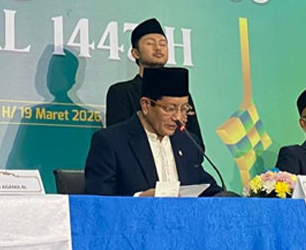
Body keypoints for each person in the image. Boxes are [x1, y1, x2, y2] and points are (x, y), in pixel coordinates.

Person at [85, 67, 223, 197]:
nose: (177, 117)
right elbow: (97, 202)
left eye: (184, 109)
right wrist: (140, 198)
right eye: (170, 109)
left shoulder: (187, 142)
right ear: (146, 105)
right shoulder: (111, 142)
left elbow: (206, 187)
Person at [105, 18, 205, 149]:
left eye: (163, 44)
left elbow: (196, 145)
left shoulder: (179, 93)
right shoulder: (121, 92)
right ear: (135, 53)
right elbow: (118, 141)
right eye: (150, 43)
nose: (158, 48)